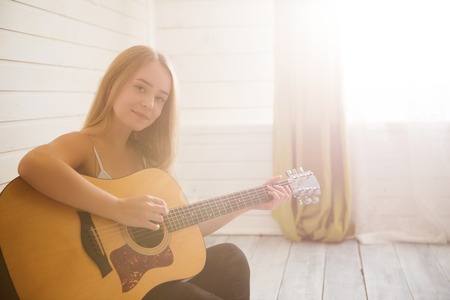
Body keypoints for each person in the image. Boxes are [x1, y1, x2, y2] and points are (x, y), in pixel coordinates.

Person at [15, 45, 292, 299]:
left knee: (231, 257)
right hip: (100, 288)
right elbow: (33, 163)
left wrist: (250, 202)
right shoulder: (86, 145)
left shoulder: (146, 162)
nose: (150, 104)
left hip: (140, 283)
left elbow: (181, 225)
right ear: (114, 84)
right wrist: (117, 208)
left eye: (161, 98)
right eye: (140, 88)